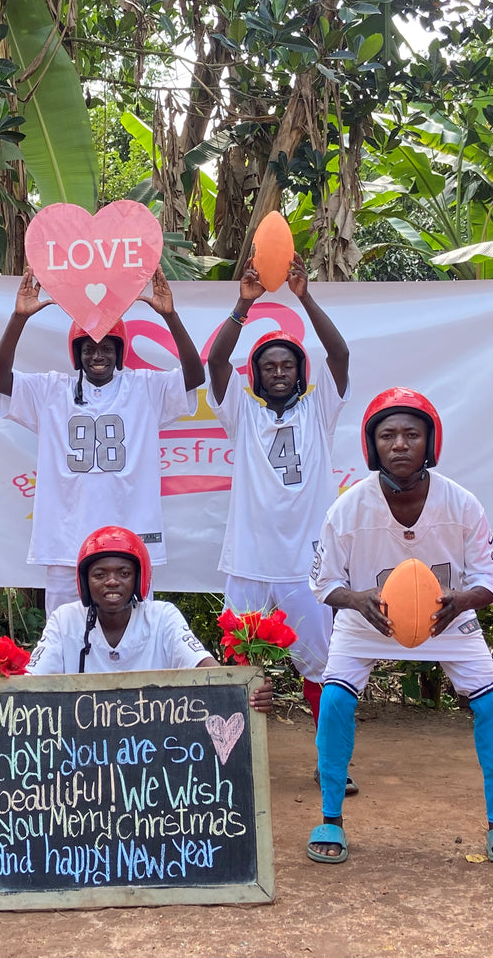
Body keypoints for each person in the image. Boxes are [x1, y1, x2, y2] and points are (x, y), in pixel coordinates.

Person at [307, 389, 493, 866]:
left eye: (411, 434)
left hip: (447, 616)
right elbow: (323, 583)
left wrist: (464, 599)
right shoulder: (348, 507)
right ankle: (330, 818)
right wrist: (355, 600)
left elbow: (492, 578)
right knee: (336, 698)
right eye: (388, 435)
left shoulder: (461, 503)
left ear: (430, 442)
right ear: (371, 445)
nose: (400, 444)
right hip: (369, 619)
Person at [0, 267, 204, 614]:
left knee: (135, 633)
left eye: (106, 348)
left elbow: (194, 376)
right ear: (77, 353)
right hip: (66, 539)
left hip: (130, 537)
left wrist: (171, 316)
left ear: (120, 351)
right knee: (65, 636)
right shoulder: (52, 389)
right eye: (88, 348)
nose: (97, 356)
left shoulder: (144, 387)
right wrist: (18, 319)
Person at [207, 257, 347, 762]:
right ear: (258, 376)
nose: (280, 372)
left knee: (323, 667)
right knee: (236, 664)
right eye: (270, 367)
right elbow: (216, 364)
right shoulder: (241, 410)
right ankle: (231, 761)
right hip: (248, 560)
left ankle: (330, 762)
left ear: (299, 372)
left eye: (288, 365)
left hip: (306, 565)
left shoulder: (319, 408)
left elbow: (339, 352)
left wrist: (304, 297)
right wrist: (244, 304)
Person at [0, 527, 273, 721]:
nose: (112, 581)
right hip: (81, 747)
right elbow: (29, 682)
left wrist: (243, 688)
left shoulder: (162, 616)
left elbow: (205, 668)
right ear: (85, 582)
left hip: (159, 745)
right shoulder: (65, 619)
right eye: (100, 574)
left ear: (139, 579)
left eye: (124, 573)